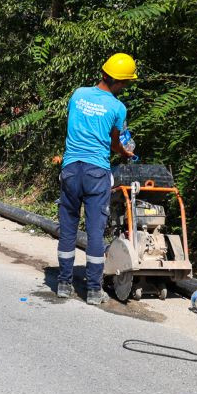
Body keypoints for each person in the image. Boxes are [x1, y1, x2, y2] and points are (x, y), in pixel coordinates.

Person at [56, 53, 137, 305]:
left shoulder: (78, 94)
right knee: (94, 232)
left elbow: (74, 126)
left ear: (103, 73)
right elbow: (115, 142)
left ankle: (63, 284)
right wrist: (126, 153)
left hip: (70, 170)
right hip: (96, 172)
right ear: (120, 82)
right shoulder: (117, 107)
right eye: (126, 83)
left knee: (68, 230)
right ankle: (93, 290)